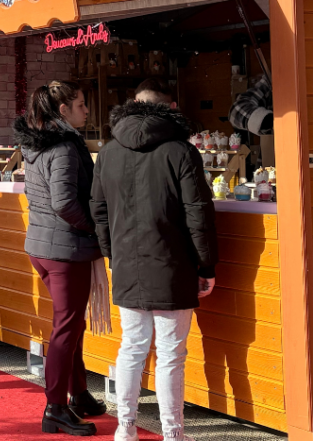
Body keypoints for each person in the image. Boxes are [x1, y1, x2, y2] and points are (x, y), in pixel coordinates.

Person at [90, 81, 219, 441]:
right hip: (173, 264)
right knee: (171, 354)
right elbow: (198, 213)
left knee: (131, 347)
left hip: (128, 264)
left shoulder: (109, 151)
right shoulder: (181, 151)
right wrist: (206, 265)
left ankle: (126, 427)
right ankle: (173, 433)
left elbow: (98, 211)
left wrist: (112, 254)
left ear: (133, 104)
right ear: (172, 107)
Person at [13, 80, 105, 437]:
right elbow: (64, 202)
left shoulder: (38, 143)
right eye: (81, 105)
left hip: (42, 244)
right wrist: (93, 230)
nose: (86, 111)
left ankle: (78, 393)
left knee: (71, 324)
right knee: (66, 328)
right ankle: (55, 407)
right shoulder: (65, 147)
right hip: (65, 247)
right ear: (63, 110)